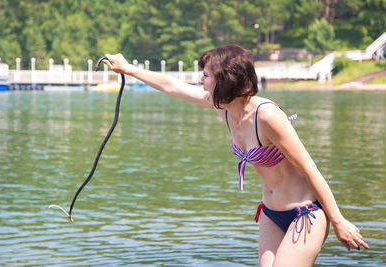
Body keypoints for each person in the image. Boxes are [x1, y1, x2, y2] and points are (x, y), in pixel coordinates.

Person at [102, 44, 369, 267]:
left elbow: (310, 168)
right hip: (270, 214)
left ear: (225, 79)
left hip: (305, 214)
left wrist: (338, 221)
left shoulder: (267, 115)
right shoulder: (224, 107)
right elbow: (173, 85)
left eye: (206, 75)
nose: (200, 81)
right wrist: (127, 69)